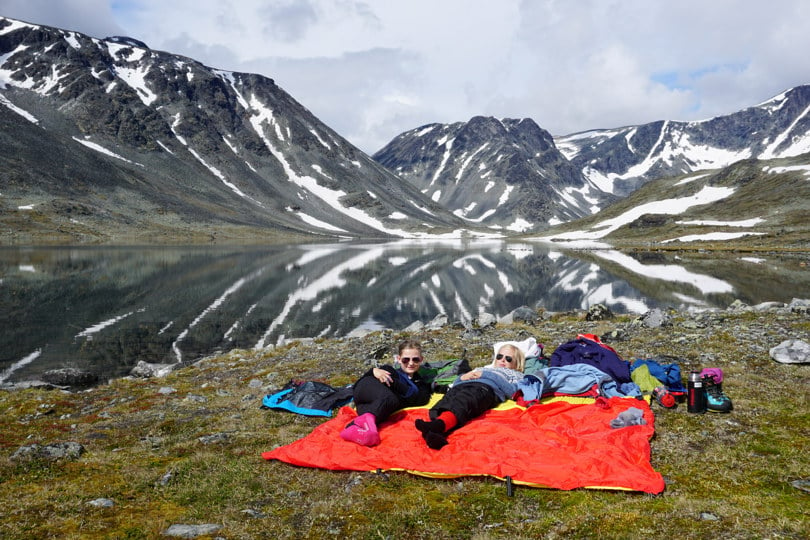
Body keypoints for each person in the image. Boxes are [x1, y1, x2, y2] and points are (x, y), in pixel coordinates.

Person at [415, 343, 525, 450]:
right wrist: (462, 378)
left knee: (463, 402)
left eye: (508, 359)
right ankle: (436, 433)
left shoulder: (515, 374)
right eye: (500, 356)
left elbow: (511, 391)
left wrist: (486, 375)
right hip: (460, 386)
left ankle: (437, 427)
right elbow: (456, 382)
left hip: (484, 388)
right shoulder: (483, 368)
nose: (503, 360)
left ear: (516, 364)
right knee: (441, 406)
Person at [340, 339, 432, 446]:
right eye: (406, 360)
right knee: (391, 399)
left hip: (371, 403)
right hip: (367, 388)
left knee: (390, 403)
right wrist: (372, 371)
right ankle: (360, 428)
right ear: (398, 359)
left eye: (415, 359)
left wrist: (395, 384)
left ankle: (358, 429)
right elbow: (358, 385)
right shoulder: (389, 370)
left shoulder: (421, 383)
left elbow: (421, 399)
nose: (410, 363)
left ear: (421, 360)